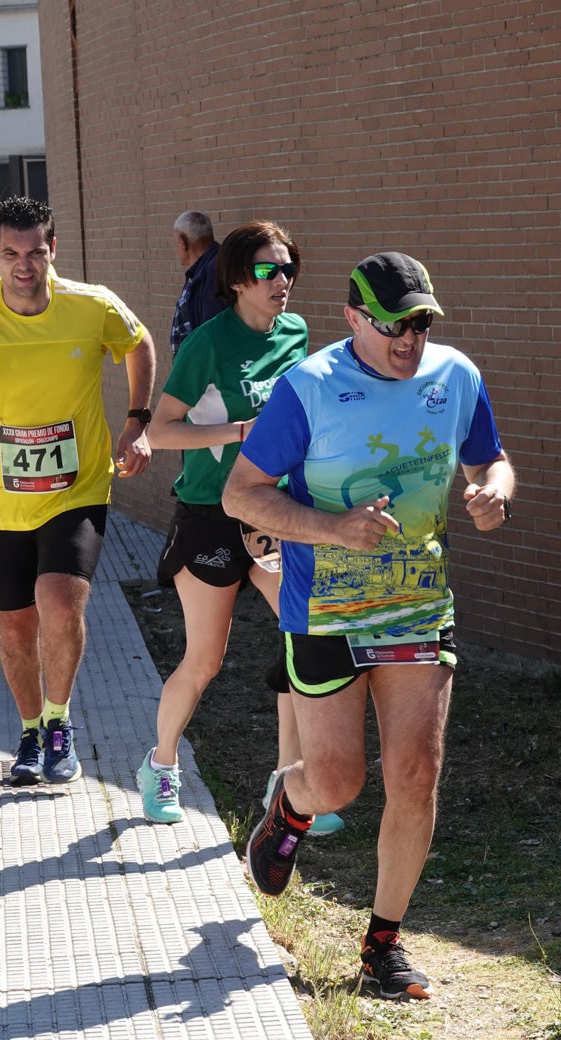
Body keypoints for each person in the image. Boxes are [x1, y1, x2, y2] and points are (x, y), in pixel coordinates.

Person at [222, 251, 516, 1000]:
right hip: (324, 613)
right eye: (392, 325)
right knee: (337, 781)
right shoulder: (309, 389)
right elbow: (241, 495)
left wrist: (491, 492)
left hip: (418, 609)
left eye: (419, 323)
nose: (408, 341)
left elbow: (491, 460)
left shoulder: (455, 378)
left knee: (415, 775)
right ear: (353, 316)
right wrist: (330, 528)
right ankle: (288, 809)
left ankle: (381, 947)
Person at [0, 196, 156, 786]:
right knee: (17, 626)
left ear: (53, 251)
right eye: (10, 254)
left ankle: (59, 721)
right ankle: (28, 730)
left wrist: (138, 421)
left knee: (58, 600)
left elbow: (139, 344)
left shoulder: (91, 305)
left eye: (35, 253)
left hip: (76, 490)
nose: (24, 266)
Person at [137, 220, 343, 836]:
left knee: (301, 639)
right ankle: (161, 765)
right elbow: (162, 429)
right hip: (209, 512)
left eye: (288, 269)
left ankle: (289, 784)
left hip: (273, 511)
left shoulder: (297, 333)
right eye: (266, 270)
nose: (281, 281)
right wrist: (238, 434)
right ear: (234, 280)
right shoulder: (208, 343)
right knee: (205, 659)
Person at [170, 211, 227, 357]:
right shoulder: (203, 270)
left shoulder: (214, 271)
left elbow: (214, 330)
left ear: (183, 242)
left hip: (205, 372)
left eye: (175, 241)